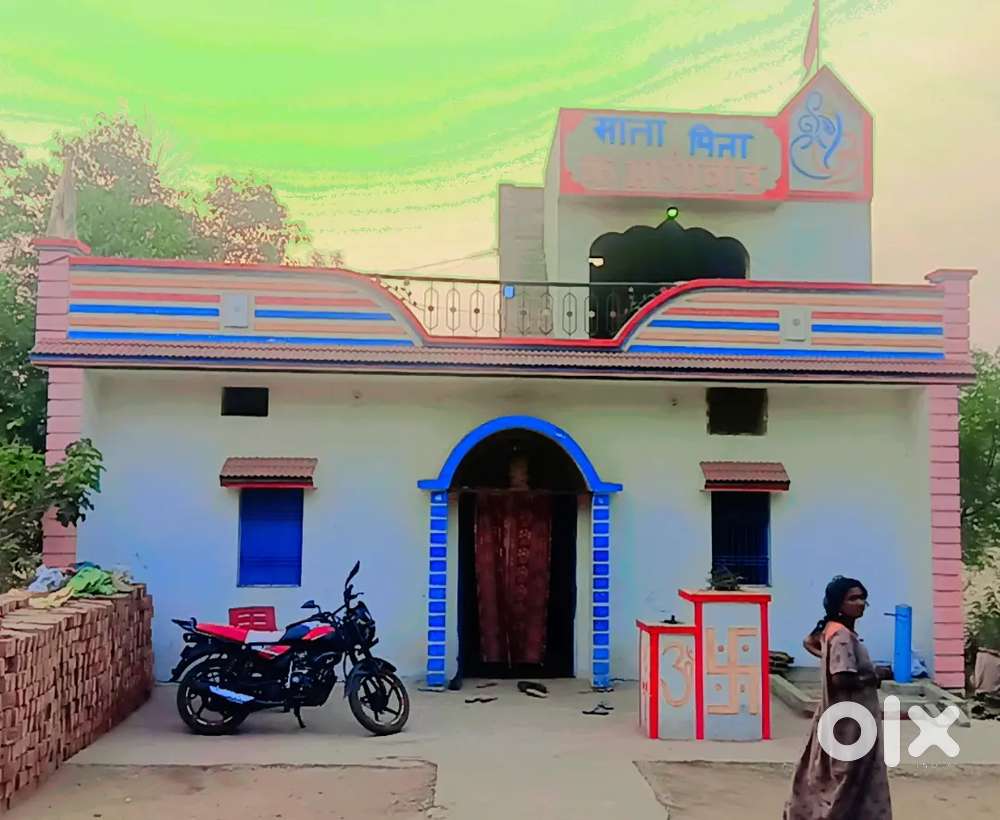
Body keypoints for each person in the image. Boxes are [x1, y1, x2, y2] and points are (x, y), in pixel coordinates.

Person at [784, 576, 893, 820]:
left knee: (829, 774)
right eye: (853, 598)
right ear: (838, 603)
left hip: (836, 715)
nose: (860, 603)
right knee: (848, 778)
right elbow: (841, 679)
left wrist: (827, 657)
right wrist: (873, 675)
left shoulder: (831, 630)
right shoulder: (842, 636)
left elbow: (809, 642)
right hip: (851, 721)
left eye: (863, 598)